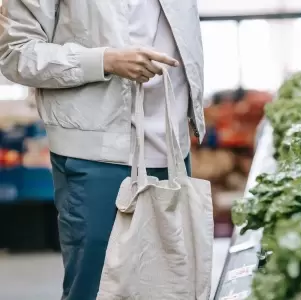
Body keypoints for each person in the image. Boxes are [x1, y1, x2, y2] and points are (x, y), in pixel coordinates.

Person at [0, 1, 205, 299]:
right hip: (95, 153)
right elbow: (14, 51)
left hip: (173, 151)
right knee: (96, 290)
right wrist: (103, 61)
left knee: (170, 288)